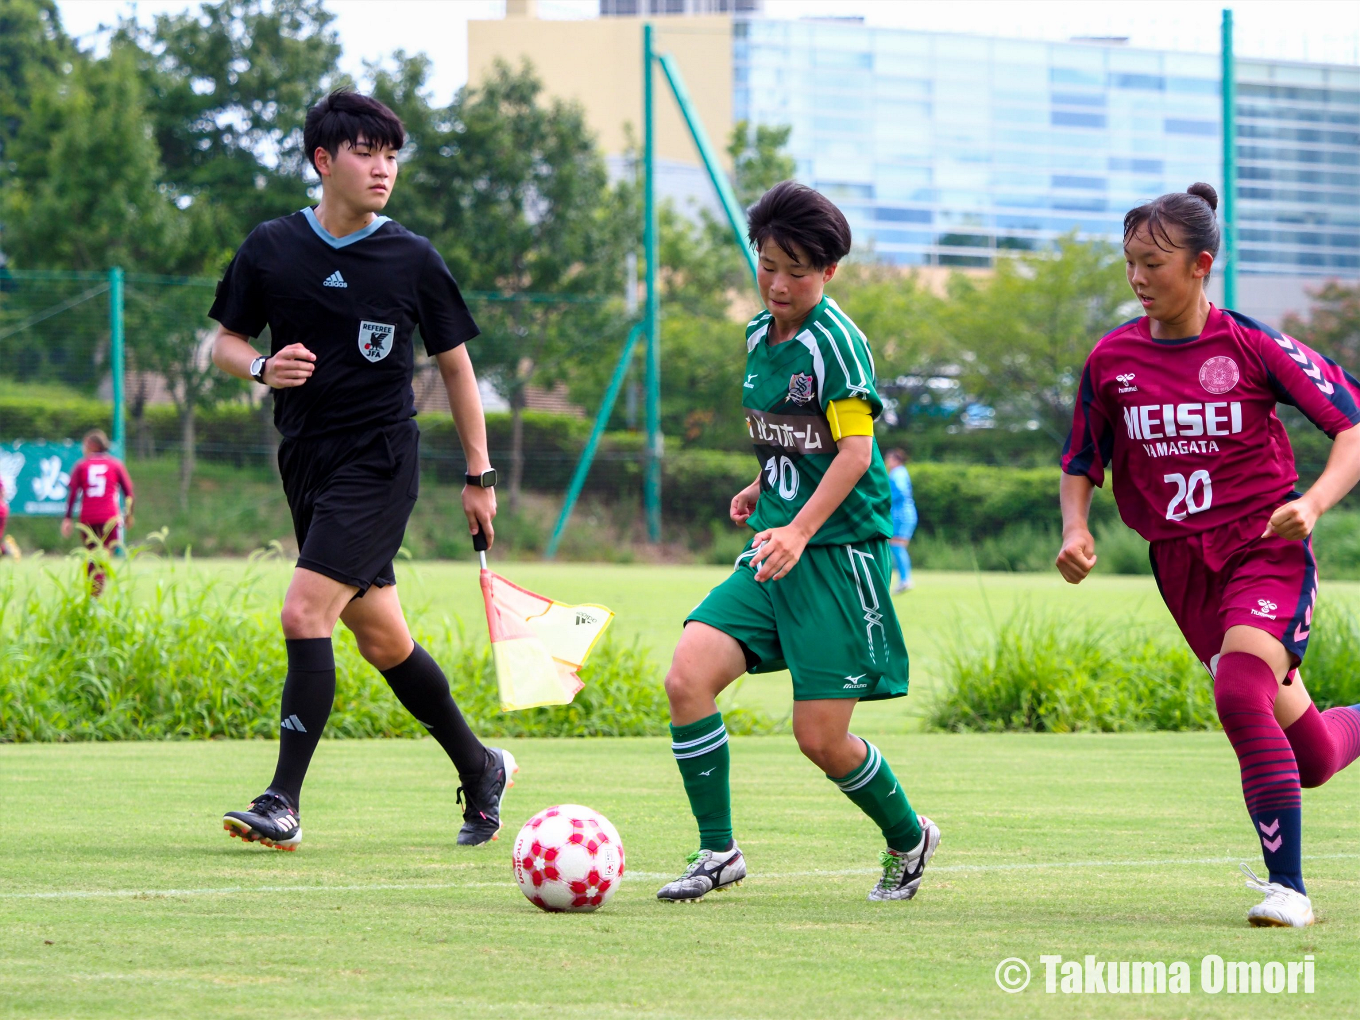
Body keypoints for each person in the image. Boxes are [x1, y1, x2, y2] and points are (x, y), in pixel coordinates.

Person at [208, 89, 510, 851]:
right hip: (304, 461)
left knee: (303, 612)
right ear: (323, 160)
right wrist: (261, 368)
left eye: (391, 156)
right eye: (367, 153)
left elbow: (459, 370)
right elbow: (226, 344)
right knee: (384, 640)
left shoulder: (411, 257)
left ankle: (282, 800)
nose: (383, 169)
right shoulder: (271, 247)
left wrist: (480, 476)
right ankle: (481, 768)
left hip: (379, 463)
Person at [1058, 182, 1360, 928]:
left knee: (1237, 693)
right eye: (1129, 262)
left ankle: (1288, 888)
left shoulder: (1252, 345)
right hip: (1182, 569)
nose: (1137, 278)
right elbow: (1081, 460)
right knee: (1315, 756)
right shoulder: (1111, 360)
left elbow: (1352, 428)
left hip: (1265, 551)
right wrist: (1075, 528)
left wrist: (1313, 503)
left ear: (1200, 264)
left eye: (1153, 263)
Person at [656, 181, 940, 905]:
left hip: (836, 556)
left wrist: (800, 523)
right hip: (774, 544)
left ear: (829, 272)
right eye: (767, 264)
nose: (778, 284)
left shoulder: (839, 346)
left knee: (819, 738)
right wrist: (765, 483)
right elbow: (794, 436)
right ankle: (718, 852)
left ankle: (909, 837)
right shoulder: (759, 334)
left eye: (797, 271)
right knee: (687, 677)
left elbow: (853, 452)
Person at [62, 429, 134, 595]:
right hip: (109, 517)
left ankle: (92, 593)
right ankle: (96, 595)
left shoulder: (82, 465)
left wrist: (67, 519)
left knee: (92, 554)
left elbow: (73, 493)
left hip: (88, 517)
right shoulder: (115, 464)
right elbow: (129, 491)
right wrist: (129, 514)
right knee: (103, 556)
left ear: (92, 446)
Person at [885, 448, 916, 593]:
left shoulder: (897, 473)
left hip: (901, 514)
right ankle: (903, 579)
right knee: (896, 546)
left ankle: (905, 580)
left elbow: (901, 491)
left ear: (896, 460)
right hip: (904, 514)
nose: (887, 461)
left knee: (897, 546)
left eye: (889, 458)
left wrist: (886, 501)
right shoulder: (902, 472)